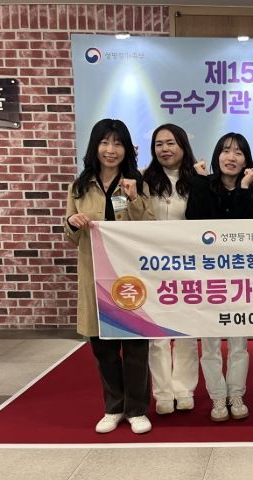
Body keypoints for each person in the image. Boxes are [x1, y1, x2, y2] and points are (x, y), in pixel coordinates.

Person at [64, 118, 155, 434]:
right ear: (95, 146)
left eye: (118, 143)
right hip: (95, 277)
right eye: (105, 142)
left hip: (129, 278)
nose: (111, 149)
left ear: (127, 148)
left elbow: (150, 229)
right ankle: (113, 407)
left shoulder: (136, 183)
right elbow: (71, 236)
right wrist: (73, 223)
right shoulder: (79, 187)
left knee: (135, 347)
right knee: (103, 347)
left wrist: (134, 199)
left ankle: (137, 409)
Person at [186, 132, 253, 422]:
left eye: (238, 152)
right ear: (217, 155)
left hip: (240, 277)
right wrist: (199, 182)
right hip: (208, 276)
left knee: (239, 342)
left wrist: (242, 189)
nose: (231, 157)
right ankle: (217, 397)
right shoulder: (202, 185)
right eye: (226, 151)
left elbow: (241, 230)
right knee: (209, 343)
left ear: (246, 161)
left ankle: (236, 394)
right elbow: (197, 221)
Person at [143, 124, 200, 415]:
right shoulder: (143, 179)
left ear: (182, 146)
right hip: (152, 266)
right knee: (157, 334)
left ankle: (184, 389)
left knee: (187, 331)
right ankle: (163, 392)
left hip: (188, 266)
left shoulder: (198, 180)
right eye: (159, 144)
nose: (165, 149)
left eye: (171, 143)